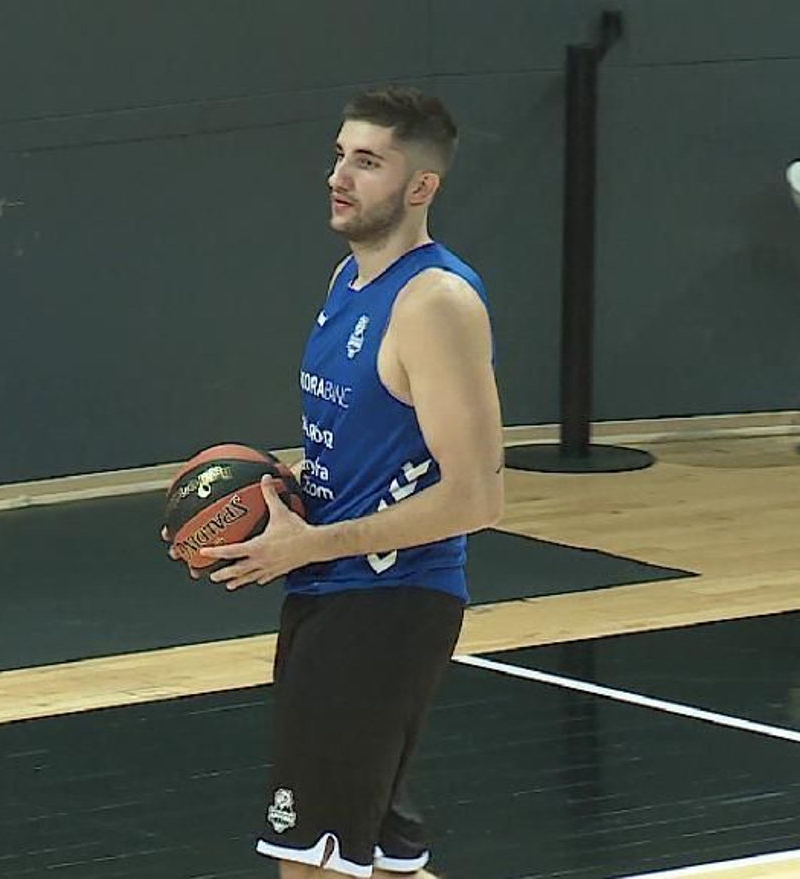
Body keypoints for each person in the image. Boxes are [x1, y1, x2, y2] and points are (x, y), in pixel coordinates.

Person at [197, 85, 504, 878]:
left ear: (421, 186)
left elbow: (477, 495)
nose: (340, 175)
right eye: (340, 155)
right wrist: (291, 487)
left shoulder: (435, 302)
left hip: (387, 604)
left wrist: (314, 541)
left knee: (309, 861)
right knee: (382, 862)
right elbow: (370, 444)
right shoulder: (349, 280)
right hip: (335, 593)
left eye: (367, 162)